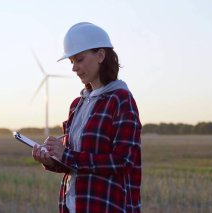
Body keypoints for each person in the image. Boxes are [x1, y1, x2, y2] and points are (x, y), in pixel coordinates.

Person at [32, 22, 142, 213]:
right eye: (72, 62)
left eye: (79, 59)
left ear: (100, 55)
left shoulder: (121, 100)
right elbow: (75, 165)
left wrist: (66, 154)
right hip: (72, 206)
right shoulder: (77, 104)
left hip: (106, 206)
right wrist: (51, 160)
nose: (74, 68)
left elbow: (123, 162)